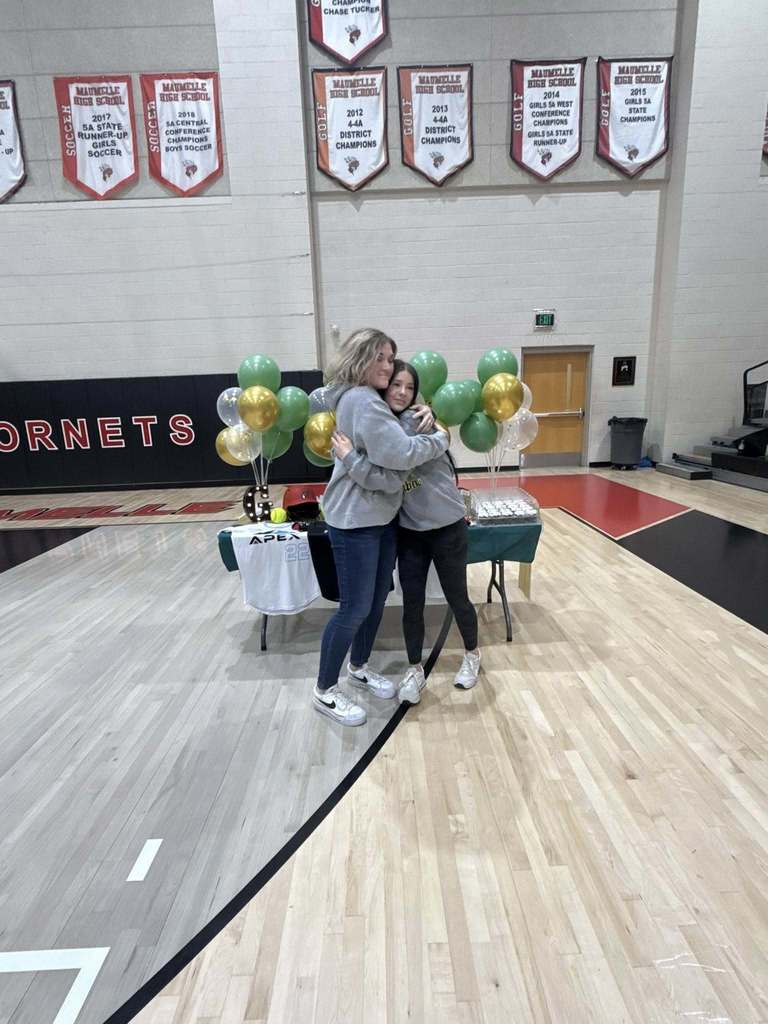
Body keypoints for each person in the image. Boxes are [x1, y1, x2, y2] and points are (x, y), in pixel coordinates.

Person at [314, 330, 449, 727]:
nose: (388, 367)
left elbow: (395, 460)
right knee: (354, 608)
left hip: (379, 518)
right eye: (381, 358)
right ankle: (324, 690)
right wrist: (441, 438)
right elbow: (402, 454)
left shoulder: (369, 401)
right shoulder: (362, 401)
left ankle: (357, 666)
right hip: (356, 521)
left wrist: (429, 417)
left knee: (373, 603)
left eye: (392, 359)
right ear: (360, 357)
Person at [332, 360, 480, 705]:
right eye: (395, 385)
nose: (402, 392)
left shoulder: (418, 422)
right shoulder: (379, 423)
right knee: (411, 604)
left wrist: (439, 428)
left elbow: (393, 463)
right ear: (383, 389)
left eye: (409, 387)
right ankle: (415, 668)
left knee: (457, 597)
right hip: (411, 532)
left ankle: (472, 654)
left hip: (448, 528)